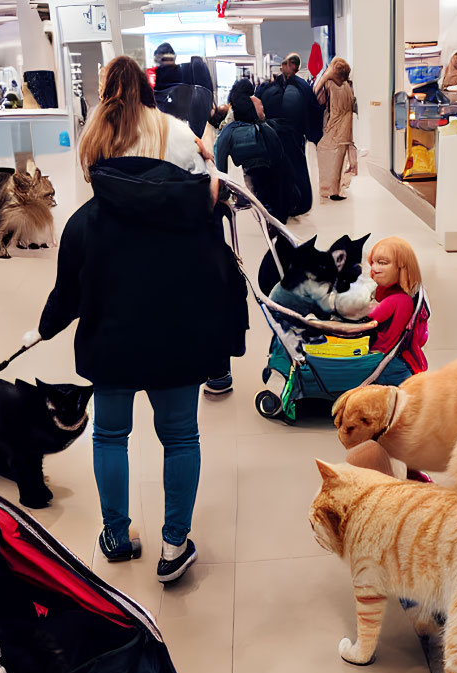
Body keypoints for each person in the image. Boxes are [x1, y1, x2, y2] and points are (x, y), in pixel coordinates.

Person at [31, 57, 246, 583]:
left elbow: (67, 294)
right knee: (181, 437)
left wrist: (42, 328)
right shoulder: (189, 198)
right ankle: (175, 548)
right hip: (178, 339)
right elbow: (217, 270)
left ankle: (115, 533)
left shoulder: (85, 224)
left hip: (113, 343)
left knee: (109, 435)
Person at [256, 52, 323, 217]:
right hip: (284, 136)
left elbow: (312, 109)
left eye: (287, 64)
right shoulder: (296, 87)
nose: (283, 66)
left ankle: (292, 203)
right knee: (286, 169)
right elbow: (313, 109)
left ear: (293, 66)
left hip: (290, 136)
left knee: (289, 169)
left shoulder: (292, 87)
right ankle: (288, 203)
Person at [214, 79, 291, 221]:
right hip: (270, 161)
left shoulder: (229, 131)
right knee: (273, 191)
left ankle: (269, 218)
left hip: (251, 167)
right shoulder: (264, 126)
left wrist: (223, 190)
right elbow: (278, 154)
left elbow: (220, 159)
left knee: (261, 199)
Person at [365, 236, 428, 377]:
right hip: (391, 360)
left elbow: (363, 320)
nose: (375, 268)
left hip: (383, 363)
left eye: (382, 263)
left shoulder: (398, 300)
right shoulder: (404, 295)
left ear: (402, 267)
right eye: (373, 263)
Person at [315, 57, 357, 201]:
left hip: (335, 125)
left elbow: (316, 96)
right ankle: (334, 189)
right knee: (338, 158)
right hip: (345, 126)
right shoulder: (346, 85)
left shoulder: (330, 83)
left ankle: (332, 190)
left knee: (330, 157)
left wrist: (325, 76)